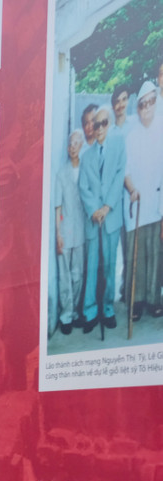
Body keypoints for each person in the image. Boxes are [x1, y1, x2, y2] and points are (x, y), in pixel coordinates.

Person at [81, 105, 128, 331]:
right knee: (92, 268)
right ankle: (90, 312)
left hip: (110, 218)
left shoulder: (119, 146)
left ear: (109, 123)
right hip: (94, 220)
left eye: (103, 123)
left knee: (109, 266)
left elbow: (120, 176)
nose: (99, 128)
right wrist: (94, 210)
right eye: (95, 124)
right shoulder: (86, 156)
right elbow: (83, 188)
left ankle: (107, 309)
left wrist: (106, 207)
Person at [124, 82, 163, 320]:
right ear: (137, 109)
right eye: (142, 104)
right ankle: (136, 302)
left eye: (150, 102)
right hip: (137, 204)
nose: (146, 108)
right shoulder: (132, 136)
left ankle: (153, 300)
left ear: (155, 103)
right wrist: (131, 189)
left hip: (157, 205)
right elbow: (126, 171)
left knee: (154, 253)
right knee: (136, 255)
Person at [54, 129, 89, 333]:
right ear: (67, 148)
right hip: (65, 232)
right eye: (70, 144)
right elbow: (58, 207)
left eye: (77, 143)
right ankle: (65, 316)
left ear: (81, 145)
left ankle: (75, 312)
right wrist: (58, 233)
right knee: (65, 277)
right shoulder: (61, 173)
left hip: (81, 231)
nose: (73, 146)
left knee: (78, 275)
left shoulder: (86, 169)